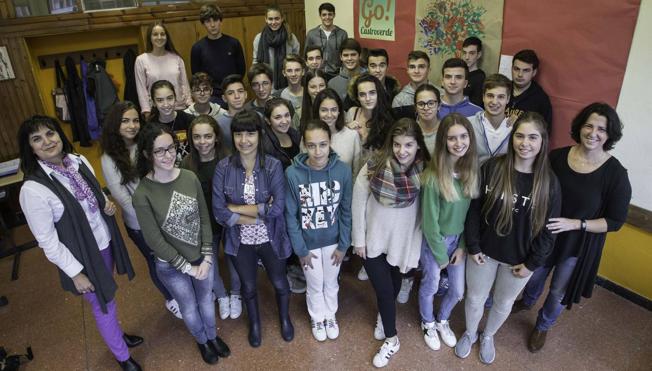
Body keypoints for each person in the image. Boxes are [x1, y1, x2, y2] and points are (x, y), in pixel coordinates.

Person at [18, 116, 142, 371]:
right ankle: (123, 357)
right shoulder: (32, 190)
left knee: (108, 296)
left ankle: (116, 335)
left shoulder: (78, 161)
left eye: (50, 133)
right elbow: (47, 241)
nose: (47, 141)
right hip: (81, 257)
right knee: (103, 304)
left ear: (59, 135)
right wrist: (75, 274)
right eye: (36, 139)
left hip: (103, 242)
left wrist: (105, 203)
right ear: (30, 148)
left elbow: (94, 197)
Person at [511, 103, 631, 353]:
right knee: (534, 278)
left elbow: (615, 221)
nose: (593, 133)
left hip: (577, 244)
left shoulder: (616, 174)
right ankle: (527, 301)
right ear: (580, 127)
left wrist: (576, 224)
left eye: (602, 128)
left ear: (610, 135)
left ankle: (543, 325)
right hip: (546, 236)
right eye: (589, 125)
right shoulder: (557, 157)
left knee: (557, 291)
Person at [455, 112, 561, 365]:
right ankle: (470, 333)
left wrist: (532, 264)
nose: (525, 143)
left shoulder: (549, 183)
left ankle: (488, 335)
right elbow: (474, 210)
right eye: (520, 136)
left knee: (503, 303)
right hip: (484, 253)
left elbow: (549, 230)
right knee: (474, 298)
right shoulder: (492, 167)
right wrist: (473, 245)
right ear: (512, 138)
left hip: (519, 260)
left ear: (543, 141)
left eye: (533, 137)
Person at [132, 123, 230, 365]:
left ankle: (212, 335)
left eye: (171, 148)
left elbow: (204, 218)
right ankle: (202, 341)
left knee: (207, 302)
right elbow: (154, 240)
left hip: (201, 258)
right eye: (160, 151)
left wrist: (207, 256)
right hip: (173, 267)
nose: (168, 155)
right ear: (147, 154)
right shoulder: (143, 194)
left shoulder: (189, 177)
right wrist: (188, 268)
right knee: (189, 307)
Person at [352, 118, 431, 368]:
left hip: (402, 242)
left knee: (394, 286)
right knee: (385, 291)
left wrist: (415, 247)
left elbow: (425, 213)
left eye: (408, 144)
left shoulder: (426, 171)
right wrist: (359, 239)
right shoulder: (374, 164)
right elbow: (357, 202)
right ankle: (391, 338)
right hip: (373, 239)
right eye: (397, 144)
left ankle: (383, 316)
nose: (402, 151)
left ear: (418, 145)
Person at [212, 110, 294, 348]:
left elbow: (277, 208)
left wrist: (236, 207)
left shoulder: (273, 166)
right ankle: (255, 324)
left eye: (250, 133)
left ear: (259, 135)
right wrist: (258, 214)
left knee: (279, 283)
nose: (244, 140)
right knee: (248, 287)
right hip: (240, 242)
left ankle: (285, 318)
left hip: (271, 238)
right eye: (239, 134)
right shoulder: (223, 168)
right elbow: (219, 212)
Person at [100, 101, 181, 319]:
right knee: (157, 263)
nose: (132, 125)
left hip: (166, 213)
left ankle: (184, 292)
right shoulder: (109, 158)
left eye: (135, 120)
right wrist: (153, 221)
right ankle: (171, 299)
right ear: (115, 124)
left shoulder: (145, 144)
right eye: (125, 121)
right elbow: (124, 200)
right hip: (141, 224)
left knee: (175, 255)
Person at [285, 119, 353, 341]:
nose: (317, 151)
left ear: (330, 143)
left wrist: (344, 245)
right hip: (308, 244)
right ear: (304, 145)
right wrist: (301, 250)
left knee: (331, 282)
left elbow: (345, 211)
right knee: (314, 284)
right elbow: (291, 216)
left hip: (334, 241)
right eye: (311, 145)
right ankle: (317, 316)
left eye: (322, 144)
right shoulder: (293, 174)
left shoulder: (342, 171)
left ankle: (330, 314)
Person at [419, 113, 479, 351]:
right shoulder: (433, 178)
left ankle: (443, 319)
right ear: (443, 141)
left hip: (458, 242)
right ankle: (427, 322)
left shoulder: (471, 173)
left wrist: (462, 247)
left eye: (463, 136)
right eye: (452, 138)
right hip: (436, 242)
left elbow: (469, 217)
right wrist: (441, 257)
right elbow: (430, 223)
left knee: (457, 290)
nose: (459, 143)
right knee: (431, 285)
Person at [180, 115, 242, 321]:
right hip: (205, 226)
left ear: (216, 137)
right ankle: (222, 295)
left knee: (234, 258)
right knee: (211, 262)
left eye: (207, 136)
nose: (202, 142)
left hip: (230, 220)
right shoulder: (187, 164)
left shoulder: (230, 159)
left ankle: (235, 293)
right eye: (197, 137)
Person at [191, 4, 246, 107]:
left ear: (220, 21)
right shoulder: (197, 48)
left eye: (215, 20)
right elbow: (197, 77)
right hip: (211, 96)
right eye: (208, 21)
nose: (212, 25)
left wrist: (231, 91)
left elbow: (241, 71)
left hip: (233, 93)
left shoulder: (234, 43)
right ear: (203, 24)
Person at [135, 22, 192, 118]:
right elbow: (141, 90)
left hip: (179, 108)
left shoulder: (177, 58)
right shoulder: (141, 60)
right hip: (156, 111)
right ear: (150, 37)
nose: (159, 37)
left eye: (162, 34)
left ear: (166, 37)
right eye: (155, 34)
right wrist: (146, 111)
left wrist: (190, 104)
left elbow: (184, 84)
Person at [313, 88, 361, 176]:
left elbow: (356, 173)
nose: (329, 115)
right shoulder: (309, 136)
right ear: (317, 111)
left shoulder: (352, 136)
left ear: (339, 111)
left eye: (334, 110)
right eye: (324, 110)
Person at [467, 74, 513, 164]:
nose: (495, 102)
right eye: (490, 96)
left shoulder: (515, 127)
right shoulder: (468, 124)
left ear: (508, 99)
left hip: (503, 177)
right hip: (473, 177)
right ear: (483, 97)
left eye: (501, 97)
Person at [253, 5, 301, 91]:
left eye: (277, 18)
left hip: (288, 83)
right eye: (270, 19)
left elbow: (297, 60)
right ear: (266, 19)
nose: (274, 22)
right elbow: (256, 62)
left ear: (282, 18)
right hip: (267, 84)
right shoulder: (259, 38)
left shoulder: (290, 37)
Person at [148, 80, 195, 161]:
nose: (166, 104)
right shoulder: (150, 127)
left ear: (175, 98)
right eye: (160, 100)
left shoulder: (189, 120)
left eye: (169, 98)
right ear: (153, 103)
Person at [506, 49, 553, 132]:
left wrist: (520, 122)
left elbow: (544, 134)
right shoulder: (502, 89)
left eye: (526, 70)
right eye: (516, 69)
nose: (520, 74)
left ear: (534, 72)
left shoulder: (541, 99)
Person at [304, 2, 348, 80]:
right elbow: (306, 56)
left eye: (330, 14)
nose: (327, 17)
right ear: (320, 16)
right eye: (324, 15)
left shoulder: (342, 34)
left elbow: (345, 55)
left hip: (336, 74)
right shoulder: (312, 34)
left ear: (334, 15)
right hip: (317, 74)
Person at [262, 97, 302, 170]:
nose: (284, 121)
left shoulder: (295, 134)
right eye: (278, 117)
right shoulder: (265, 146)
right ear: (268, 121)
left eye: (287, 115)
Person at [392, 51, 431, 119]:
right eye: (412, 67)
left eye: (421, 67)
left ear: (429, 70)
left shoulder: (441, 95)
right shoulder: (399, 100)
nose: (416, 71)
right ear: (407, 70)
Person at [216, 74, 248, 151]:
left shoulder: (257, 117)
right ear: (224, 98)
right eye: (231, 93)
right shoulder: (218, 123)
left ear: (246, 94)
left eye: (240, 91)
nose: (237, 96)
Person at [414, 84, 442, 155]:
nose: (426, 108)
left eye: (431, 103)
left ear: (439, 106)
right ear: (415, 108)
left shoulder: (448, 130)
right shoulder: (409, 131)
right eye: (421, 104)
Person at [279, 54, 306, 121]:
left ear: (303, 72)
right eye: (289, 71)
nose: (293, 74)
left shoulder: (310, 93)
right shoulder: (279, 96)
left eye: (297, 70)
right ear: (284, 73)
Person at [461, 37, 485, 107]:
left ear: (479, 54)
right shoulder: (457, 72)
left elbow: (476, 106)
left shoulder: (480, 77)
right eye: (464, 53)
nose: (467, 57)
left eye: (471, 53)